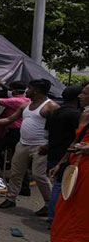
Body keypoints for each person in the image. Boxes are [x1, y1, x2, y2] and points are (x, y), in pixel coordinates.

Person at [0, 79, 59, 215]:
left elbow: (58, 130)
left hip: (40, 146)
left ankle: (49, 204)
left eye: (29, 88)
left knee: (39, 175)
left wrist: (48, 145)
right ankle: (11, 198)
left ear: (37, 90)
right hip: (23, 144)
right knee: (16, 173)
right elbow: (9, 120)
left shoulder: (51, 106)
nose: (26, 91)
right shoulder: (25, 106)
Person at [45, 83, 89, 242]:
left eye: (85, 93)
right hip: (77, 166)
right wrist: (60, 163)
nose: (81, 95)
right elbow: (75, 141)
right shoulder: (84, 115)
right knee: (65, 206)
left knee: (84, 213)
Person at [43, 85, 83, 223]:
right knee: (62, 186)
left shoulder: (53, 112)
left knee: (57, 184)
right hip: (67, 156)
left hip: (53, 153)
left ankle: (53, 215)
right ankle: (55, 217)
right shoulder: (76, 115)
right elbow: (77, 138)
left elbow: (47, 135)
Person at [0, 80, 30, 188]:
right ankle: (25, 187)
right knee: (18, 161)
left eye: (11, 90)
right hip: (20, 132)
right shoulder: (26, 99)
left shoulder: (16, 101)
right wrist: (2, 85)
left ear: (15, 91)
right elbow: (9, 90)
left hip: (15, 132)